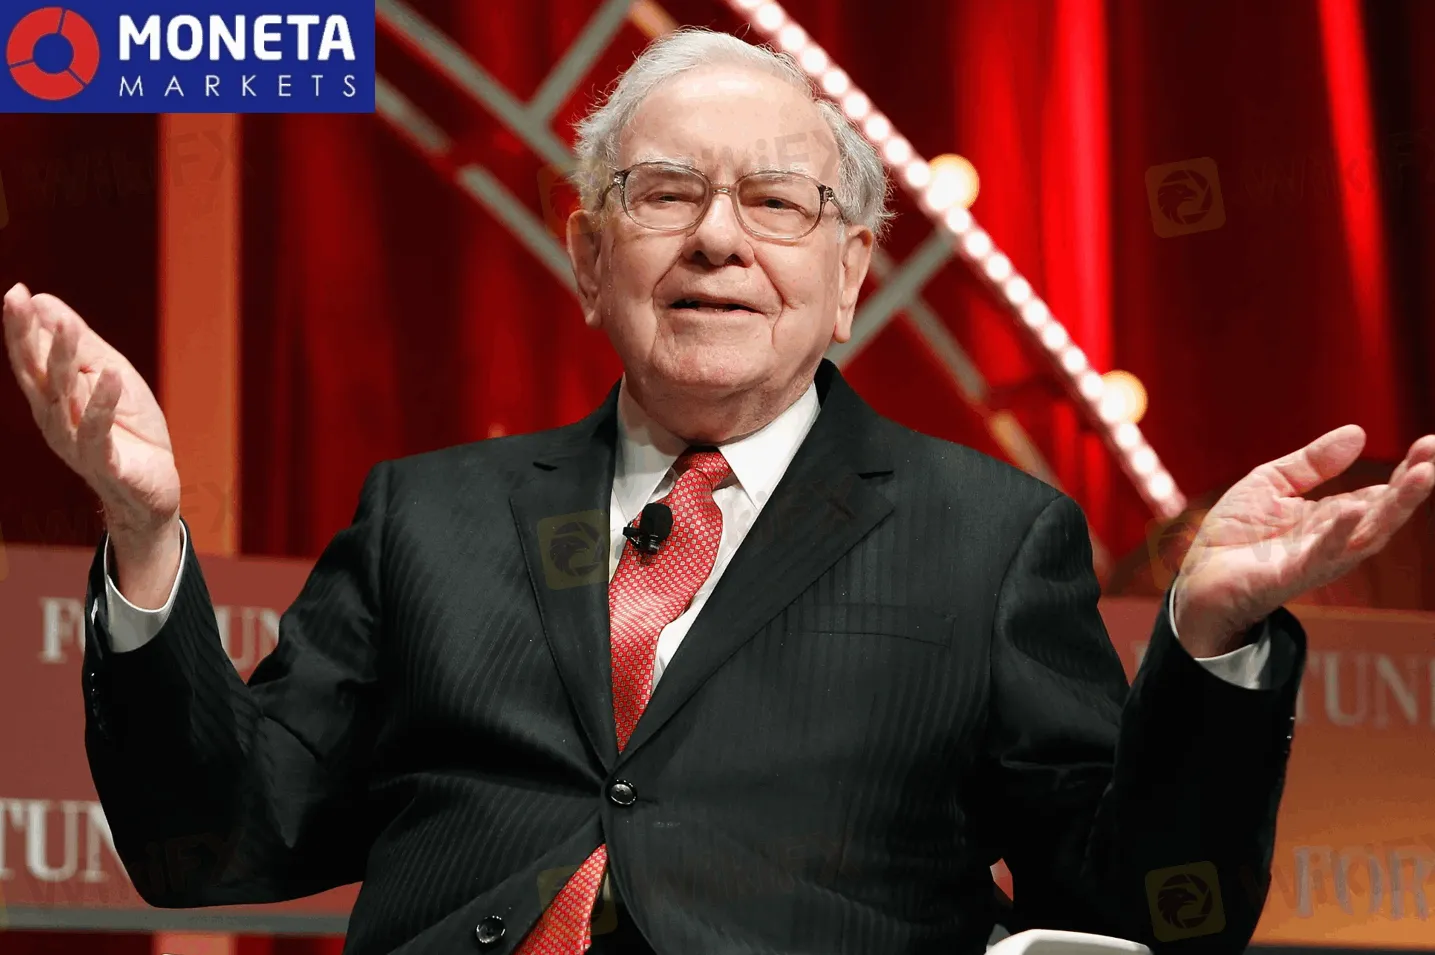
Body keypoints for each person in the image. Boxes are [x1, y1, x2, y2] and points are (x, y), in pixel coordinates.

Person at [5, 27, 1433, 955]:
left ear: (850, 279)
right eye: (665, 192)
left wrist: (1208, 646)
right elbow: (213, 840)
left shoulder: (988, 538)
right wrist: (146, 534)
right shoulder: (425, 521)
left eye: (778, 202)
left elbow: (1143, 906)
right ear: (586, 257)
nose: (717, 240)